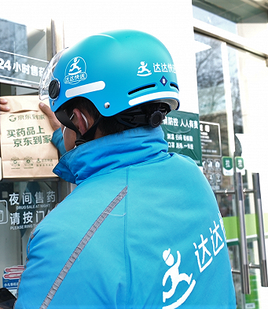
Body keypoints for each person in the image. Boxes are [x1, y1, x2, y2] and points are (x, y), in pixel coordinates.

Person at [14, 30, 236, 308]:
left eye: (67, 119)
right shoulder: (191, 175)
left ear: (79, 121)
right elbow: (114, 167)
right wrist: (64, 134)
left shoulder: (65, 241)